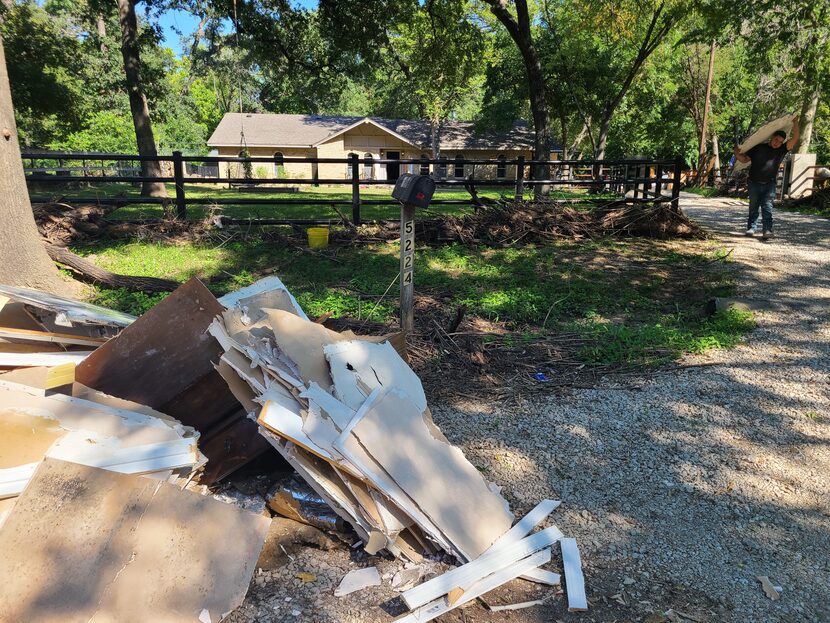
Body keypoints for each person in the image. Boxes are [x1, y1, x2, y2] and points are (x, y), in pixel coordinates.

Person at [733, 115, 800, 239]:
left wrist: (795, 122)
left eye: (780, 142)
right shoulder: (759, 147)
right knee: (753, 207)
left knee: (767, 208)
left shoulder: (782, 149)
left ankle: (767, 230)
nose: (777, 143)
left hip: (770, 184)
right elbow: (744, 160)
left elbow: (795, 138)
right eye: (776, 140)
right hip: (753, 182)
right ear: (771, 137)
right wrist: (736, 153)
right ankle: (751, 228)